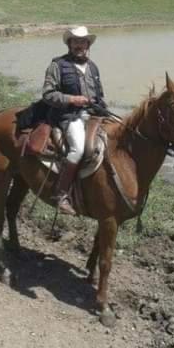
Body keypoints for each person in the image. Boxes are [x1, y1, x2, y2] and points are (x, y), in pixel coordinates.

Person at [42, 25, 107, 215]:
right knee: (78, 149)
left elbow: (100, 94)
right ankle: (60, 194)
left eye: (83, 41)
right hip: (68, 116)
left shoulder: (93, 66)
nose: (80, 45)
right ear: (69, 43)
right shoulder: (57, 65)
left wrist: (103, 109)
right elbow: (47, 94)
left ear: (88, 44)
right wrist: (71, 99)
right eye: (76, 41)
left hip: (93, 114)